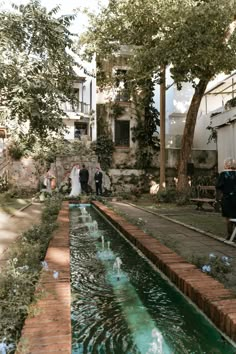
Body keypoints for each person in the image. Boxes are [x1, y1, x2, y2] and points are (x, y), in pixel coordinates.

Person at [216, 157, 236, 240]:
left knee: (228, 217)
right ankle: (235, 236)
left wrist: (218, 198)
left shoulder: (223, 174)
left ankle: (229, 235)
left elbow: (219, 186)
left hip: (227, 198)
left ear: (226, 165)